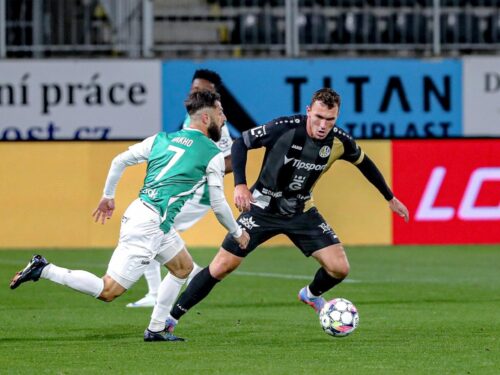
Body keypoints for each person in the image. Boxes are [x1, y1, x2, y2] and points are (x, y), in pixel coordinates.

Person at [163, 88, 409, 336]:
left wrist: (390, 197)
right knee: (222, 267)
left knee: (339, 268)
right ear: (308, 111)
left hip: (301, 211)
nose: (323, 125)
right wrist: (240, 185)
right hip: (261, 208)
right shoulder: (284, 127)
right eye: (319, 117)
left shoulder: (339, 141)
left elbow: (364, 162)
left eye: (330, 120)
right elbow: (241, 144)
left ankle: (310, 295)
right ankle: (171, 319)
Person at [9, 90, 250, 342]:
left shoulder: (161, 138)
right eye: (220, 112)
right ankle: (45, 269)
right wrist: (237, 233)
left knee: (183, 268)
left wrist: (108, 196)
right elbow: (218, 203)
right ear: (205, 117)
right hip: (150, 224)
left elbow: (119, 160)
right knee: (108, 290)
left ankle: (156, 329)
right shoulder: (212, 153)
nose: (224, 117)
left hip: (149, 216)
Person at [126, 69, 234, 308]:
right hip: (186, 192)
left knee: (153, 230)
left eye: (201, 90)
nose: (195, 92)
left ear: (213, 93)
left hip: (198, 194)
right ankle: (193, 275)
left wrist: (204, 170)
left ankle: (161, 291)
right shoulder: (192, 118)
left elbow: (231, 160)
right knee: (157, 233)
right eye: (193, 88)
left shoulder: (217, 124)